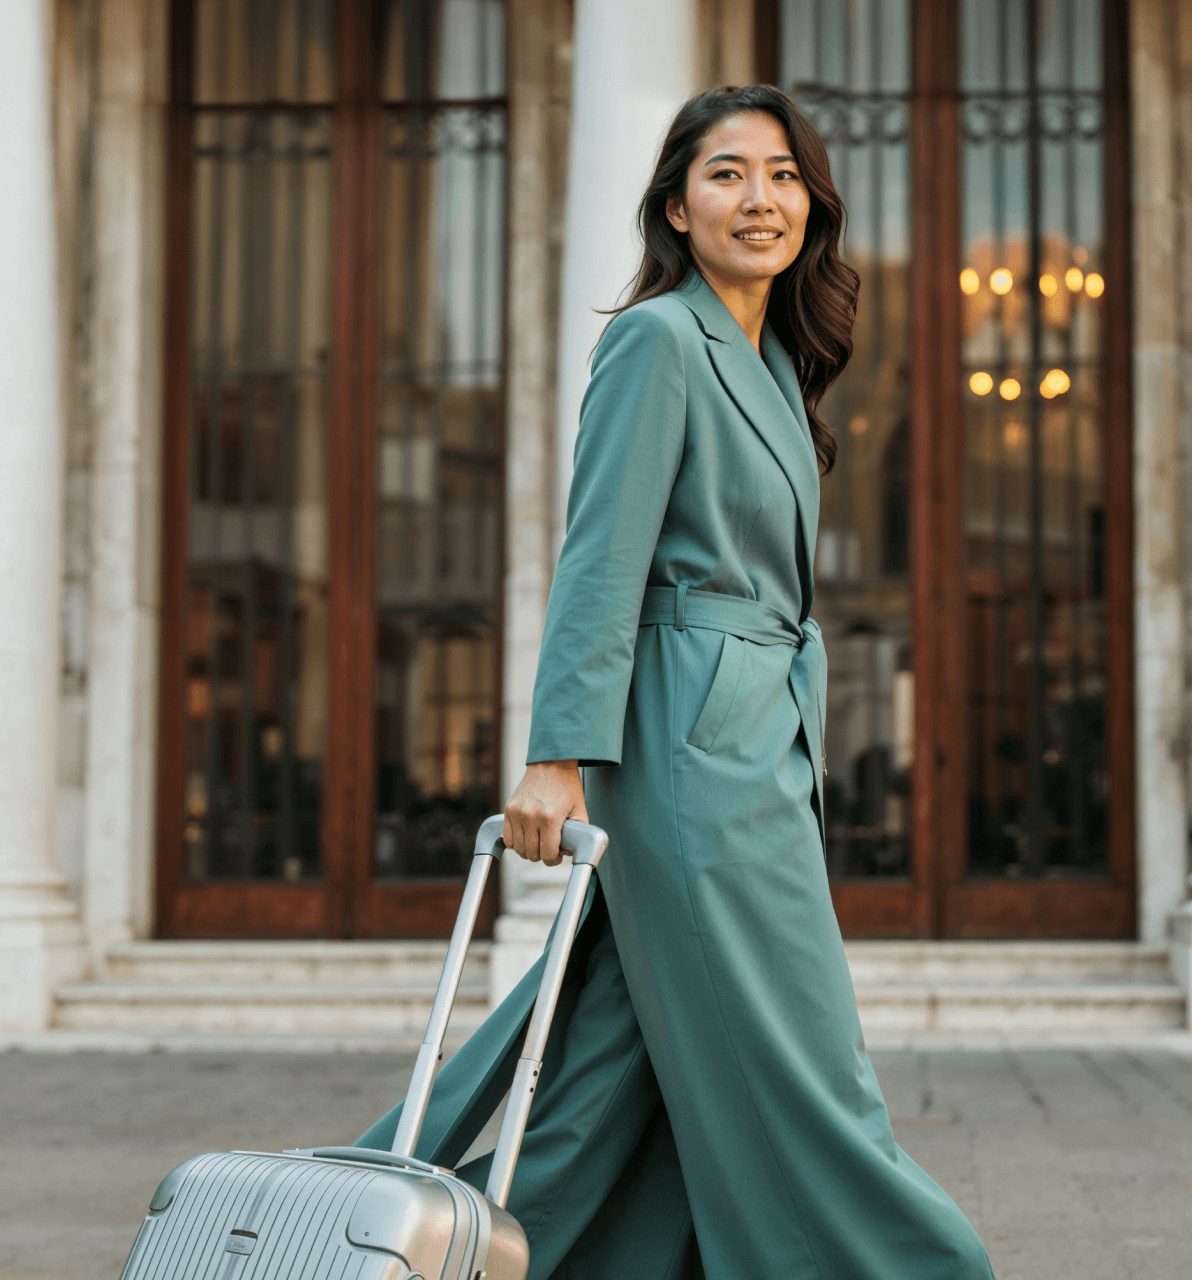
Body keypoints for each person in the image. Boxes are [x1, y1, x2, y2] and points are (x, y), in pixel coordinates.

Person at [357, 84, 995, 1280]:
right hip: (688, 754)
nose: (760, 198)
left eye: (783, 175)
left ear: (812, 203)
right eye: (726, 173)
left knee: (619, 1064)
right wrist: (557, 752)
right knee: (800, 1057)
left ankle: (447, 1264)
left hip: (760, 743)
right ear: (675, 205)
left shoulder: (777, 368)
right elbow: (601, 557)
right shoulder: (657, 339)